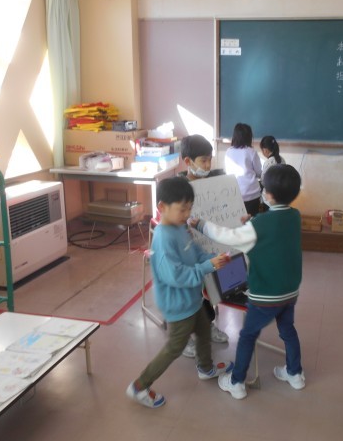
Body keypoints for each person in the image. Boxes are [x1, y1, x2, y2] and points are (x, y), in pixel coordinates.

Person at [189, 164, 305, 400]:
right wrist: (252, 221)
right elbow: (274, 231)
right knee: (288, 330)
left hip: (265, 295)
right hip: (289, 292)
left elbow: (228, 236)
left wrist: (200, 224)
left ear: (268, 194)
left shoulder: (258, 226)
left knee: (248, 336)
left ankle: (237, 382)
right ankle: (295, 374)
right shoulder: (294, 216)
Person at [126, 177, 233, 408]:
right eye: (182, 209)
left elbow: (195, 252)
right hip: (177, 306)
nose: (187, 214)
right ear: (162, 207)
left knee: (204, 331)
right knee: (175, 347)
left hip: (193, 300)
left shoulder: (180, 228)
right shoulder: (163, 239)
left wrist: (212, 259)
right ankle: (140, 386)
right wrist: (207, 267)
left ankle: (205, 368)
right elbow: (176, 276)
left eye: (189, 208)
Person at [177, 134, 229, 357]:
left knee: (207, 289)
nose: (208, 165)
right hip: (185, 251)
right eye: (203, 160)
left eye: (210, 160)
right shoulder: (178, 188)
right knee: (189, 294)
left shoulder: (214, 184)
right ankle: (184, 337)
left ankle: (207, 325)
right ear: (188, 161)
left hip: (207, 248)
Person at [224, 123, 262, 216]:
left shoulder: (228, 151)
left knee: (237, 220)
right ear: (249, 137)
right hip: (252, 194)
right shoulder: (251, 152)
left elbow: (227, 172)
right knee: (251, 220)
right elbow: (258, 172)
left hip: (234, 193)